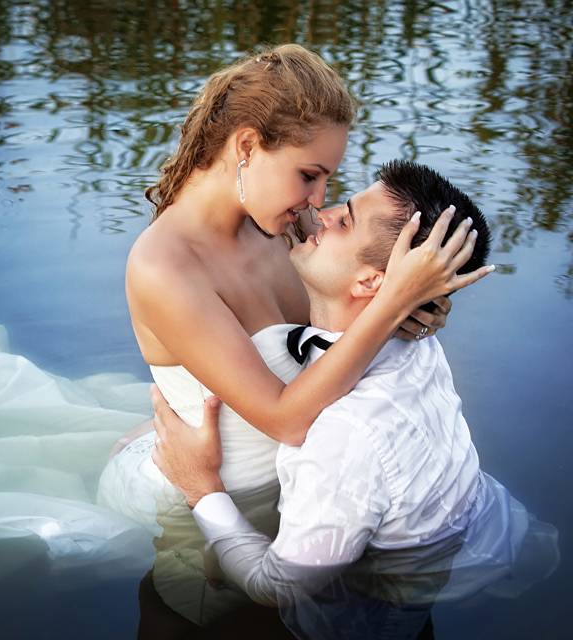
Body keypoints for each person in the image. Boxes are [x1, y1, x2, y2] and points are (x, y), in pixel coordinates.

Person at [99, 44, 489, 627]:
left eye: (326, 179)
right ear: (248, 146)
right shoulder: (165, 265)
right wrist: (393, 304)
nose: (319, 203)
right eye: (309, 175)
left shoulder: (284, 223)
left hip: (304, 491)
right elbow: (286, 420)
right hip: (202, 494)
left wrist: (414, 303)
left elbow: (337, 318)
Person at [148, 160, 556, 638]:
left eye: (345, 220)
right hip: (492, 533)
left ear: (374, 284)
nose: (321, 212)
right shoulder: (416, 332)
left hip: (380, 608)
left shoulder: (342, 437)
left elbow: (278, 586)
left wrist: (202, 490)